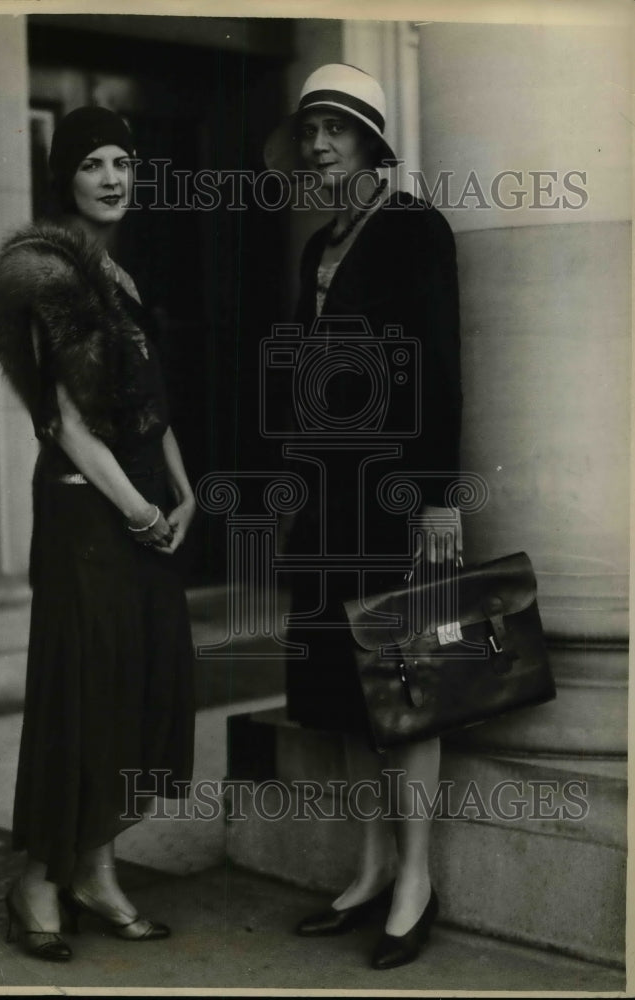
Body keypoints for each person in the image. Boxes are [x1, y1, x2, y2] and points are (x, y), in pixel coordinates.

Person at [0, 107, 196, 961]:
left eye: (123, 162)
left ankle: (98, 872)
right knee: (80, 698)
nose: (112, 178)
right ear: (63, 179)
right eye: (92, 165)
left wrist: (186, 493)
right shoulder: (48, 274)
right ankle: (40, 879)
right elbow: (67, 422)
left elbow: (149, 413)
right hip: (87, 516)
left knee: (130, 692)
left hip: (142, 509)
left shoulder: (120, 276)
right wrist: (142, 511)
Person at [264, 64, 463, 969]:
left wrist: (435, 499)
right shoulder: (317, 246)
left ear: (373, 143)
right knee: (344, 696)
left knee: (405, 692)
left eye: (336, 131)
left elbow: (440, 369)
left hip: (390, 500)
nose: (317, 147)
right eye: (309, 131)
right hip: (324, 501)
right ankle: (372, 866)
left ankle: (417, 880)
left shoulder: (417, 230)